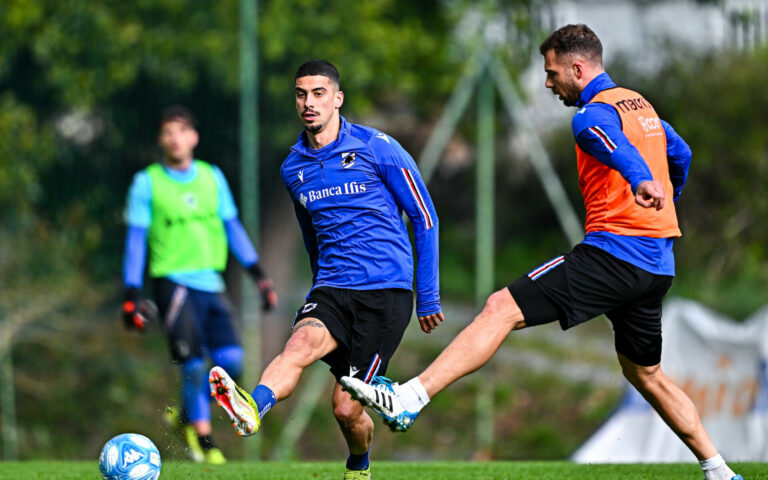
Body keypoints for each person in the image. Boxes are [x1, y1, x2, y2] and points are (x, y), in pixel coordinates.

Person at [340, 25, 742, 480]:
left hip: (614, 255)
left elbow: (610, 144)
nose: (548, 83)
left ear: (577, 67)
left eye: (551, 74)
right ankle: (720, 470)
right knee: (646, 375)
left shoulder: (591, 115)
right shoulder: (641, 105)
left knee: (499, 308)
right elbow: (681, 153)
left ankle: (410, 398)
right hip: (657, 265)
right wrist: (662, 197)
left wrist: (639, 181)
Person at [209, 59, 443, 480]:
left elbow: (424, 217)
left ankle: (359, 465)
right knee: (297, 346)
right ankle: (252, 406)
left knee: (345, 407)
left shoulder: (378, 148)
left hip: (384, 294)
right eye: (301, 94)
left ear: (337, 99)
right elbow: (311, 234)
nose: (308, 103)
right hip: (332, 288)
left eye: (318, 93)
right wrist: (319, 288)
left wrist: (426, 295)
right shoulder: (293, 168)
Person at [122, 105, 277, 464]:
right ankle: (205, 443)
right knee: (192, 365)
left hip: (211, 283)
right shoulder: (147, 183)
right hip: (172, 284)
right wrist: (131, 294)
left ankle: (187, 415)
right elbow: (135, 241)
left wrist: (259, 276)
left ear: (194, 137)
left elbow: (232, 227)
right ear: (161, 140)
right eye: (167, 132)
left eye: (181, 131)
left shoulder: (212, 177)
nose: (175, 138)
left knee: (231, 361)